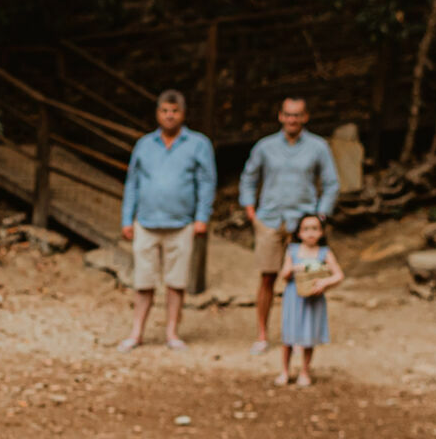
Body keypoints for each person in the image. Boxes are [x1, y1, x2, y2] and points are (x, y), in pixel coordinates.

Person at [118, 89, 216, 351]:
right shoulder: (144, 145)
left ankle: (172, 332)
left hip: (181, 224)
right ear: (157, 114)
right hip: (146, 223)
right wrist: (127, 218)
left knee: (176, 281)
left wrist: (202, 217)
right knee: (143, 281)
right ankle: (137, 331)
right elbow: (133, 183)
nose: (169, 115)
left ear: (183, 114)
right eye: (164, 111)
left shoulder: (198, 144)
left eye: (174, 111)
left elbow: (207, 183)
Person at [240, 96, 340, 354]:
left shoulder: (318, 147)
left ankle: (300, 335)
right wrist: (251, 211)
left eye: (297, 115)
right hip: (270, 220)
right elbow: (249, 178)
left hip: (303, 225)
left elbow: (331, 183)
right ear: (280, 116)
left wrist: (320, 216)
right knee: (267, 277)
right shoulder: (265, 147)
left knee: (302, 279)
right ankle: (262, 335)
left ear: (305, 117)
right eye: (288, 114)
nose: (292, 119)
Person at [274, 212, 341, 386]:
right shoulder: (293, 250)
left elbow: (338, 275)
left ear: (322, 232)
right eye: (306, 229)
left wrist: (325, 283)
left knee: (309, 335)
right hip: (293, 298)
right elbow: (284, 274)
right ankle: (285, 371)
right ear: (299, 232)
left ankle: (305, 371)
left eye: (315, 229)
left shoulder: (325, 252)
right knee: (288, 336)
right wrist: (296, 269)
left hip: (314, 300)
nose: (310, 233)